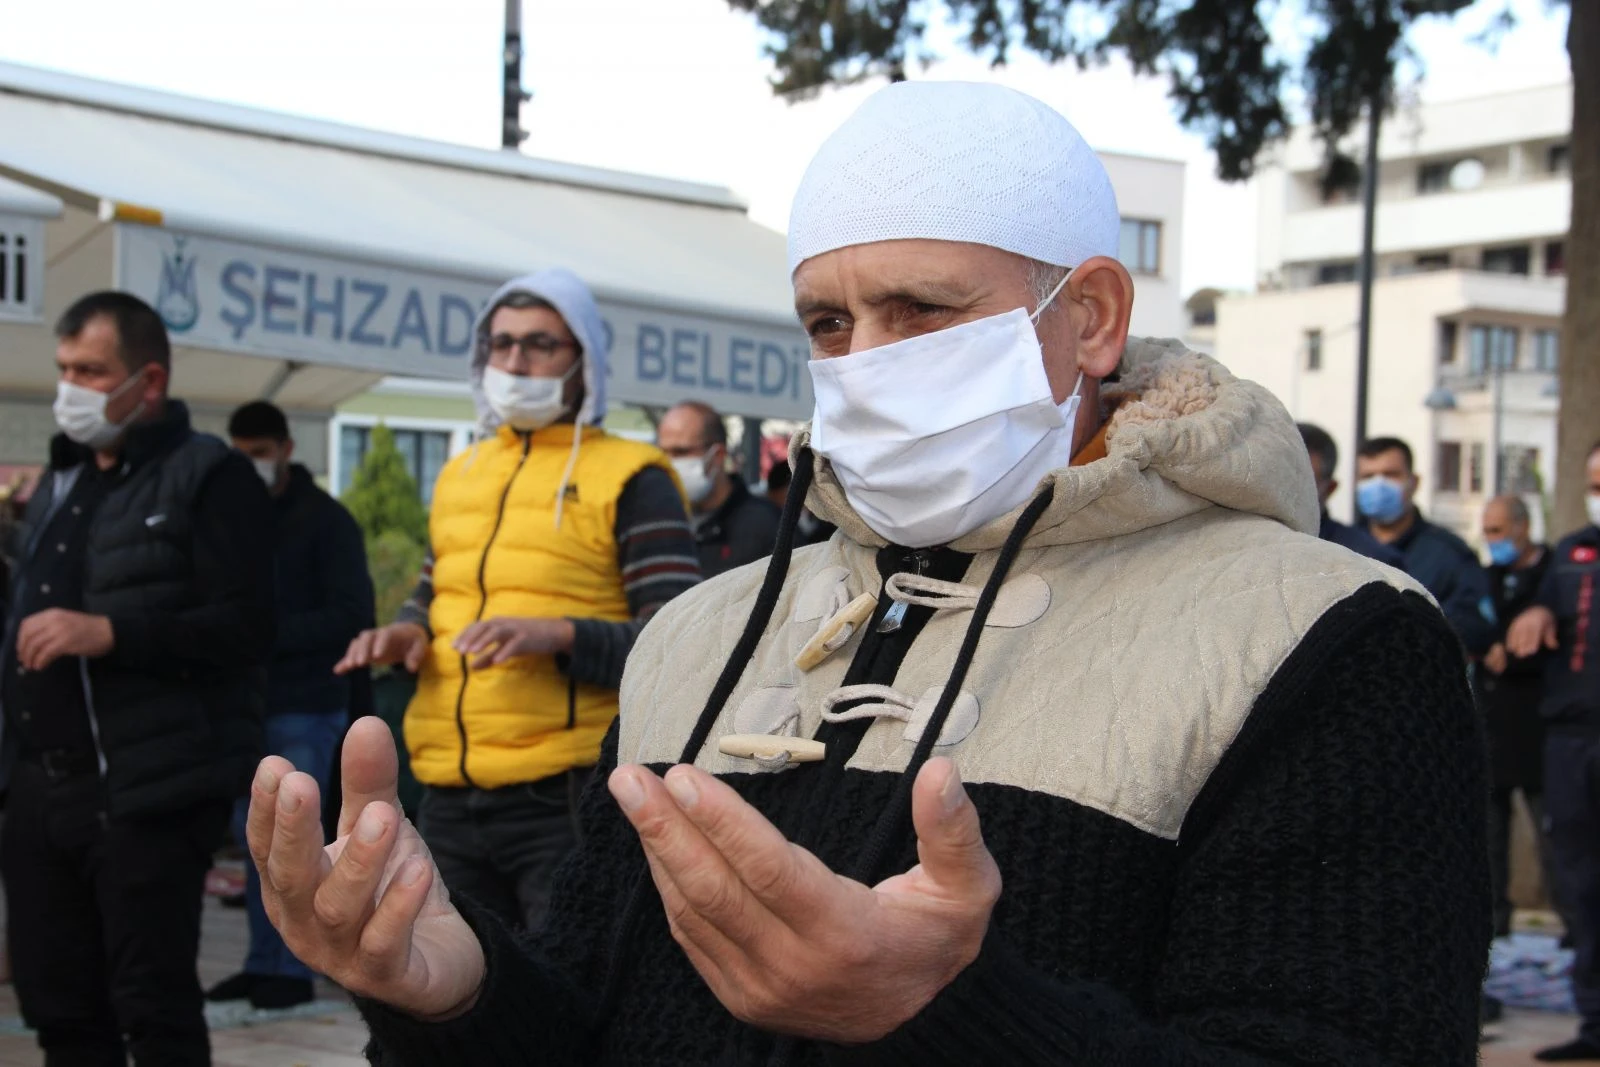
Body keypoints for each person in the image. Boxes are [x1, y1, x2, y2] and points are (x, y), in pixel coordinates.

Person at [253, 82, 1489, 1064]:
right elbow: (590, 1011)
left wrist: (939, 1012)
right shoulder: (701, 634)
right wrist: (451, 993)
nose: (865, 364)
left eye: (921, 310)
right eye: (829, 324)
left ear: (1091, 316)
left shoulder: (1328, 637)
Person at [332, 269, 701, 933]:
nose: (514, 362)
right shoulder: (461, 472)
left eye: (539, 344)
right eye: (500, 345)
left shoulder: (633, 475)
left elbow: (681, 642)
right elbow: (432, 591)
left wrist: (558, 635)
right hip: (446, 789)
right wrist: (406, 634)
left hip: (562, 792)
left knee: (560, 995)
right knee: (454, 991)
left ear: (583, 359)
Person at [0, 291, 271, 1066]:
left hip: (143, 793)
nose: (69, 388)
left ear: (147, 382)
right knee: (57, 1005)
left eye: (90, 370)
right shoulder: (58, 484)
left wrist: (111, 632)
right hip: (40, 792)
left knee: (151, 1005)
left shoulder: (210, 478)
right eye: (63, 369)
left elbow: (246, 627)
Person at [203, 401, 374, 1010]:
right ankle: (264, 961)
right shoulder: (233, 521)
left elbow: (351, 614)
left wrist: (262, 634)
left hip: (306, 702)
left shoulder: (325, 521)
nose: (251, 463)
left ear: (285, 448)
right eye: (240, 449)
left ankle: (292, 968)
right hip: (246, 708)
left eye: (260, 450)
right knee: (256, 843)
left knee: (295, 843)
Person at [1508, 444, 1600, 1062]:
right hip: (1572, 741)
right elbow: (1539, 606)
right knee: (1580, 886)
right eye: (1594, 481)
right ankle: (1595, 1022)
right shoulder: (1571, 551)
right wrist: (1538, 609)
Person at [1478, 494, 1559, 942]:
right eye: (1487, 531)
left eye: (1497, 530)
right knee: (1490, 842)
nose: (1492, 541)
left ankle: (1573, 925)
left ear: (1522, 527)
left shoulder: (1553, 577)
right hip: (1493, 727)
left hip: (1542, 730)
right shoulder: (1486, 578)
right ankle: (1496, 926)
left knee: (1556, 840)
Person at [1358, 435, 1497, 656]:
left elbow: (1477, 624)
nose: (1378, 485)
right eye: (1368, 476)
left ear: (1414, 482)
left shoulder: (1450, 553)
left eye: (1390, 474)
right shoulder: (1341, 547)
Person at [657, 402, 781, 577]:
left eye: (680, 452)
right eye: (663, 453)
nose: (668, 463)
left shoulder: (768, 526)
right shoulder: (659, 522)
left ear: (718, 455)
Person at [1297, 422, 1405, 567]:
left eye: (1301, 479)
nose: (1284, 488)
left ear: (1330, 488)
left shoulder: (1372, 563)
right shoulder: (1258, 547)